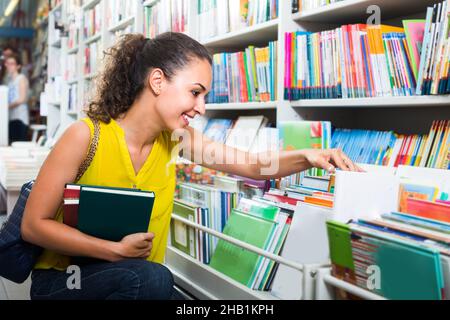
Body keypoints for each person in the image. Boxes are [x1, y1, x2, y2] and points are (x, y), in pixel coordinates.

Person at [21, 32, 361, 300]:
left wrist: (309, 155)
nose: (201, 107)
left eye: (205, 96)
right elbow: (33, 227)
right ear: (157, 82)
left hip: (134, 282)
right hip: (65, 282)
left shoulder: (179, 139)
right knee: (155, 279)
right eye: (195, 92)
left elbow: (254, 166)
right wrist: (115, 251)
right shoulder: (85, 136)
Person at [6, 53, 30, 144]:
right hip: (11, 117)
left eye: (12, 64)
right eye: (7, 63)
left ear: (18, 66)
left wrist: (7, 106)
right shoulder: (9, 81)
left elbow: (22, 98)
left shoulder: (21, 78)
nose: (9, 66)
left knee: (19, 144)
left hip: (20, 117)